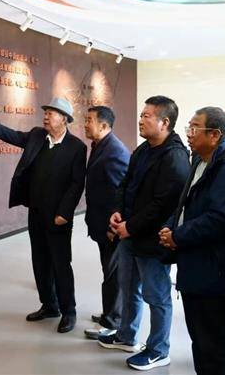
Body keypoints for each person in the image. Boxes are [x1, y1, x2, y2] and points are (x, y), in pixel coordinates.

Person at [160, 106, 225, 375]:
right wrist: (170, 227)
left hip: (217, 275)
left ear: (215, 135)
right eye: (189, 127)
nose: (189, 133)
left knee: (215, 346)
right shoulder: (199, 160)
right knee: (202, 342)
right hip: (197, 267)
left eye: (195, 128)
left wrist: (178, 236)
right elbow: (186, 204)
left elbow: (220, 219)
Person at [0, 97, 86, 333]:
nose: (46, 116)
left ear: (64, 119)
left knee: (60, 264)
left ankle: (69, 311)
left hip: (58, 217)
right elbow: (15, 136)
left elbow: (77, 184)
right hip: (36, 212)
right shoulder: (37, 136)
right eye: (45, 112)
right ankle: (49, 305)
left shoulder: (76, 147)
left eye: (51, 113)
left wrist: (65, 213)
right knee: (40, 261)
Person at [98, 96, 190, 371]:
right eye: (141, 115)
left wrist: (131, 226)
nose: (141, 120)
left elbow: (163, 205)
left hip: (153, 240)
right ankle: (127, 336)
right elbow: (125, 184)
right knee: (129, 288)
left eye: (147, 116)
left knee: (157, 297)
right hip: (130, 234)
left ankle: (159, 349)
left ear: (164, 122)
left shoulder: (175, 157)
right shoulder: (143, 149)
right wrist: (117, 211)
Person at [82, 106, 130, 340]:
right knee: (109, 272)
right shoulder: (100, 145)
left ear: (103, 125)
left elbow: (119, 194)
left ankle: (113, 322)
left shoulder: (114, 152)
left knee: (114, 275)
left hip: (112, 228)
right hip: (102, 224)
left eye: (89, 120)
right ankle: (109, 313)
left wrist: (113, 227)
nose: (85, 124)